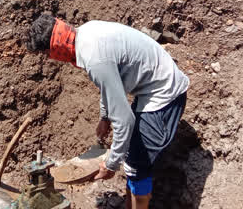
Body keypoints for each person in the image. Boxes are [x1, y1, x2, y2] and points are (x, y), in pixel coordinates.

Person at [25, 15, 189, 209]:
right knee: (133, 162)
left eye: (47, 54)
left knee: (137, 166)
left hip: (163, 94)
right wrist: (105, 117)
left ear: (55, 49)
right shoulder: (85, 32)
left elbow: (125, 120)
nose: (50, 59)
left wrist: (111, 164)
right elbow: (111, 83)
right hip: (152, 84)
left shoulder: (93, 57)